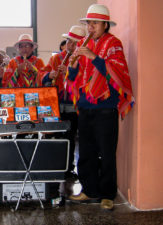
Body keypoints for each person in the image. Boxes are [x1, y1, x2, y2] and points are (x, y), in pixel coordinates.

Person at [65, 4, 134, 210]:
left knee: (106, 152)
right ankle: (89, 191)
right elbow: (74, 79)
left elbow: (117, 72)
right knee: (86, 152)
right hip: (86, 107)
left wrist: (93, 57)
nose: (90, 27)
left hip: (106, 107)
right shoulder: (83, 45)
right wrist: (74, 66)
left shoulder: (114, 43)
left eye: (95, 23)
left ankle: (107, 194)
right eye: (88, 23)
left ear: (105, 25)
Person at [42, 26, 86, 180]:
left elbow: (85, 79)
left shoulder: (82, 59)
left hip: (73, 104)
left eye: (74, 43)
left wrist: (69, 70)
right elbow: (42, 74)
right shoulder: (55, 58)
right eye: (68, 41)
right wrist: (50, 74)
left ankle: (68, 168)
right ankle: (52, 165)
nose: (70, 45)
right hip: (56, 103)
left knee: (70, 136)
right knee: (54, 135)